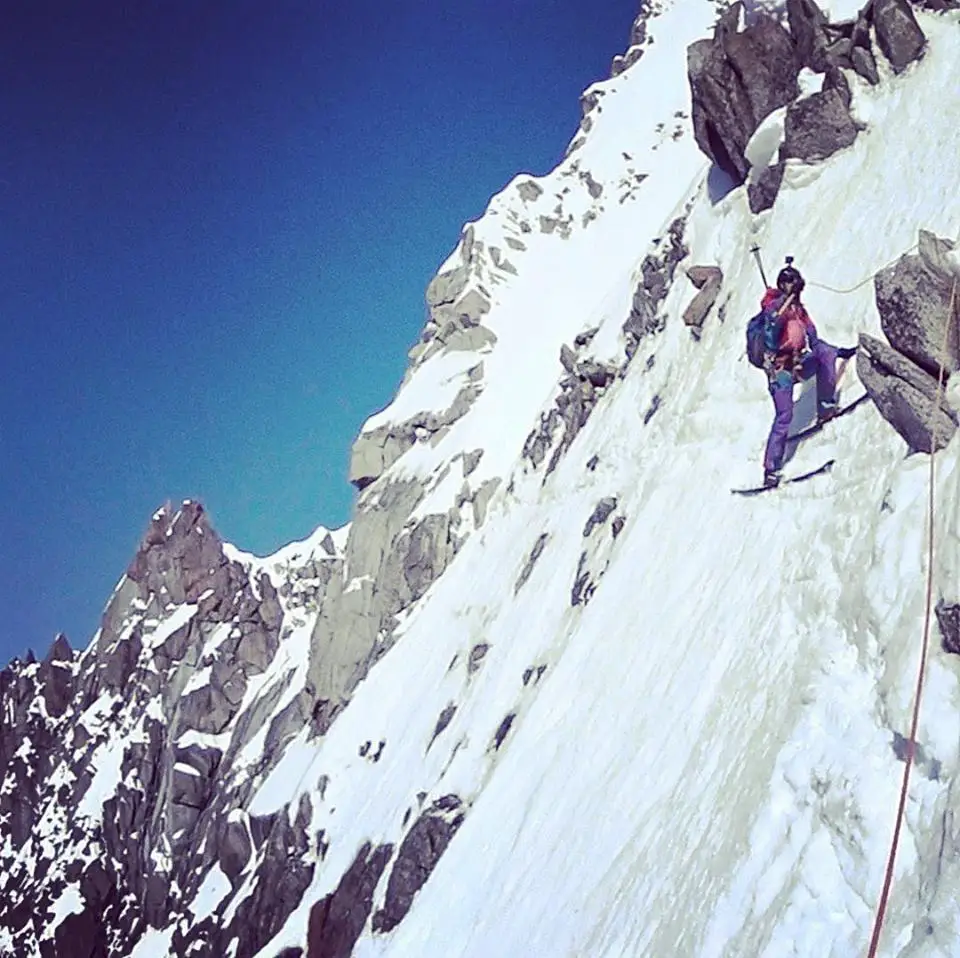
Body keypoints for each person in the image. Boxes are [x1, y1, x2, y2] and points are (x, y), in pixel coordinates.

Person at [760, 258, 855, 488]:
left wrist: (837, 352)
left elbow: (814, 340)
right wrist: (781, 309)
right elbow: (770, 337)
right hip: (780, 370)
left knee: (825, 354)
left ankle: (826, 407)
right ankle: (770, 469)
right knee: (784, 415)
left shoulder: (799, 311)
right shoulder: (774, 309)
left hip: (798, 365)